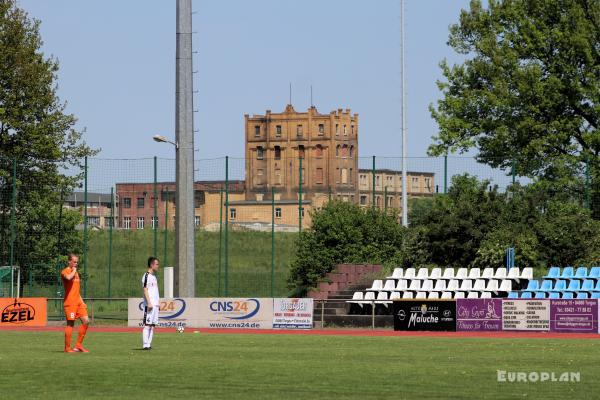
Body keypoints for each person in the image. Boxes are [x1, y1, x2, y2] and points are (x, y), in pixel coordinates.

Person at [60, 254, 89, 353]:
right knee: (70, 324)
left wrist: (82, 301)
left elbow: (76, 290)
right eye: (74, 262)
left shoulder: (76, 273)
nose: (76, 264)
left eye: (77, 262)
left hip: (78, 302)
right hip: (70, 302)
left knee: (86, 321)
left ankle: (78, 345)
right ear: (69, 261)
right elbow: (68, 278)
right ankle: (67, 348)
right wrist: (74, 270)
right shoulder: (65, 271)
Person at [142, 257, 160, 350]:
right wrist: (149, 303)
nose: (158, 266)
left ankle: (149, 344)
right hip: (150, 305)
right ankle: (145, 344)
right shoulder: (146, 276)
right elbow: (145, 289)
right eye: (156, 264)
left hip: (156, 304)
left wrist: (158, 303)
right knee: (147, 325)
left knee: (152, 326)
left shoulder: (154, 277)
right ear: (152, 265)